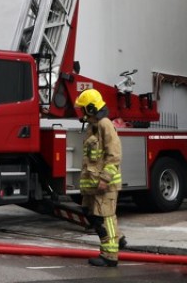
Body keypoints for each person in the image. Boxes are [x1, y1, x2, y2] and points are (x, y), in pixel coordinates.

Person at [75, 88, 122, 267]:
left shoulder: (105, 125)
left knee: (106, 218)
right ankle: (115, 241)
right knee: (91, 215)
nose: (81, 112)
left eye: (83, 109)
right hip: (93, 185)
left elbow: (114, 154)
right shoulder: (92, 126)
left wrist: (105, 179)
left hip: (104, 185)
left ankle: (110, 256)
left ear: (91, 109)